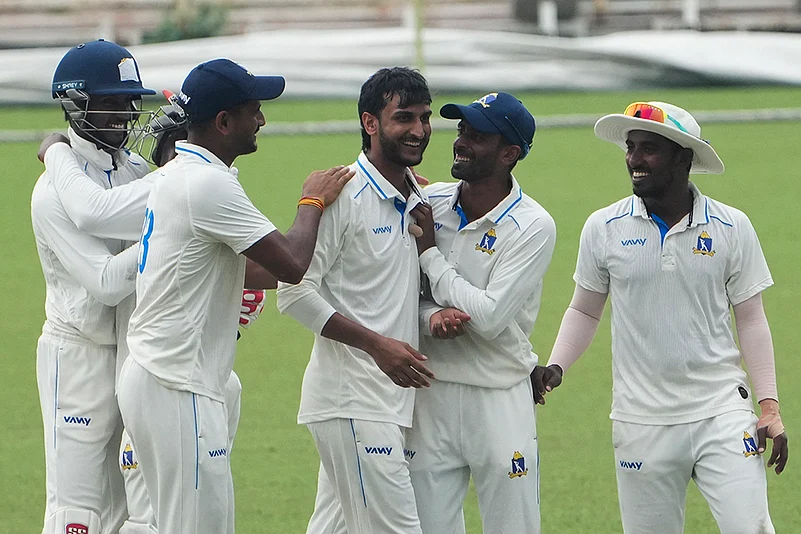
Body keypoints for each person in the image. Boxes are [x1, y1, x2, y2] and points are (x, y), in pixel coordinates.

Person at [112, 58, 353, 534]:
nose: (262, 120)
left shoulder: (181, 172)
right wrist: (312, 201)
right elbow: (292, 263)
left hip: (158, 377)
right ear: (223, 122)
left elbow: (256, 270)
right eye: (253, 110)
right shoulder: (209, 184)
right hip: (178, 385)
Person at [532, 101, 789, 534]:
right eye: (631, 147)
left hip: (722, 413)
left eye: (649, 148)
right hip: (640, 422)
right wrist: (557, 365)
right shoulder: (603, 227)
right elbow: (584, 308)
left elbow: (751, 319)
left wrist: (769, 407)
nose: (634, 158)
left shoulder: (732, 227)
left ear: (683, 158)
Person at [38, 92, 278, 534]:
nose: (127, 114)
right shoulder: (174, 185)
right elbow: (106, 270)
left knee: (152, 510)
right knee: (83, 512)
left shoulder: (153, 176)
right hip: (96, 357)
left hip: (160, 362)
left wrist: (202, 257)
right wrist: (57, 153)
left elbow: (270, 270)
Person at [275, 67, 435, 534]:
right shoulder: (342, 195)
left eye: (424, 118)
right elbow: (294, 292)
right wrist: (376, 345)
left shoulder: (416, 194)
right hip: (353, 403)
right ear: (370, 123)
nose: (419, 130)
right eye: (403, 117)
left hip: (384, 405)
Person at [406, 92, 556, 533]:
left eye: (478, 136)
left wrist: (431, 255)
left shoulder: (532, 225)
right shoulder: (429, 202)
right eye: (461, 130)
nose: (461, 142)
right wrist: (428, 318)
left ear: (510, 153)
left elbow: (489, 318)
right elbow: (395, 295)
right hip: (429, 393)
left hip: (498, 396)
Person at [31, 38, 156, 534]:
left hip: (130, 350)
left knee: (128, 505)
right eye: (109, 102)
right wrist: (161, 240)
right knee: (77, 513)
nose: (123, 115)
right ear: (75, 102)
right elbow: (105, 283)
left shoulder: (133, 168)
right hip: (77, 356)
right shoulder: (50, 194)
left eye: (129, 102)